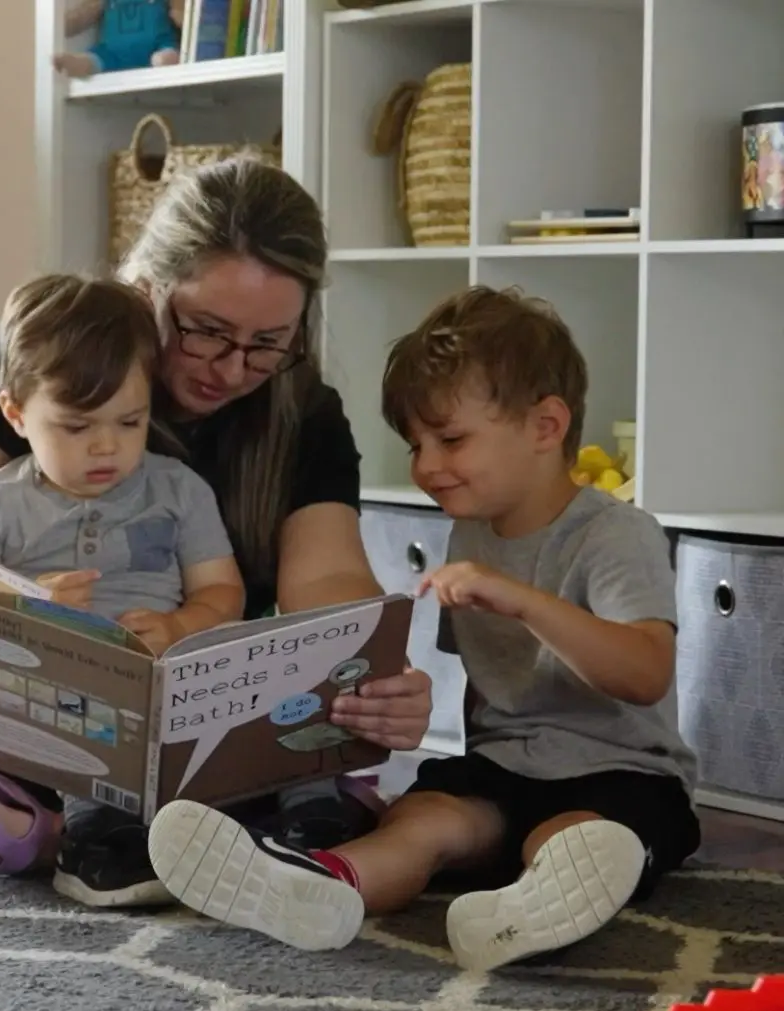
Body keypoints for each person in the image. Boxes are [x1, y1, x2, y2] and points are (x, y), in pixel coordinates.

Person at [0, 157, 433, 903]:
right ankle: (119, 835)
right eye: (206, 331)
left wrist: (371, 673)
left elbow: (325, 580)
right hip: (24, 695)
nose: (234, 368)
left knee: (314, 754)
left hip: (198, 709)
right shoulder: (48, 356)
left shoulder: (304, 413)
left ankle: (106, 833)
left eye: (270, 341)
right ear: (148, 292)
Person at [142, 284, 701, 967]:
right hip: (504, 765)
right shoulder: (471, 535)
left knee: (573, 837)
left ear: (545, 427)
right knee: (419, 818)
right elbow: (482, 688)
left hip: (623, 772)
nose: (426, 466)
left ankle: (535, 904)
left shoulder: (617, 533)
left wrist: (523, 600)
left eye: (451, 439)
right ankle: (315, 884)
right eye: (416, 444)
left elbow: (645, 673)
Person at [0, 274, 245, 905]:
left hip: (161, 680)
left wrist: (179, 625)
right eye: (76, 426)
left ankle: (285, 818)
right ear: (15, 413)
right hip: (50, 690)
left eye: (130, 420)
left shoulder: (178, 491)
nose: (107, 446)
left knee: (239, 722)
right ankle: (94, 841)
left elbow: (223, 593)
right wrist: (28, 607)